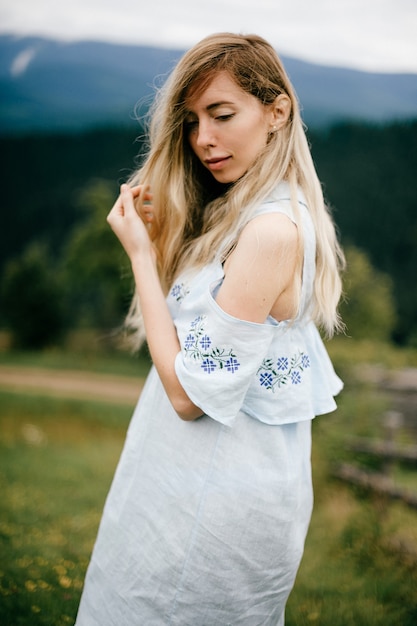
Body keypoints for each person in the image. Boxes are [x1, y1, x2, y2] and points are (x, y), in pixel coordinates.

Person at [75, 32, 344, 625]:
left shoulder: (271, 229)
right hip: (181, 482)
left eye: (222, 114)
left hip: (212, 505)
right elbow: (196, 330)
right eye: (193, 120)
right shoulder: (241, 209)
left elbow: (188, 395)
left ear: (277, 111)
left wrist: (141, 258)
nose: (203, 139)